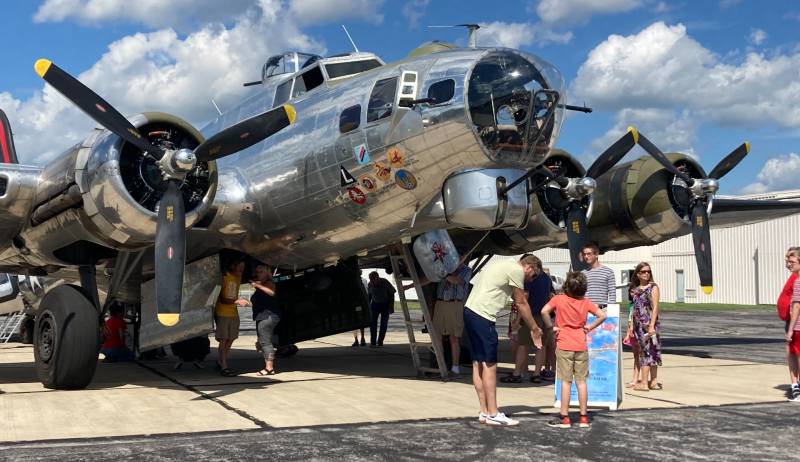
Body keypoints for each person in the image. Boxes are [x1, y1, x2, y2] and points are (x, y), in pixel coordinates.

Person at [464, 255, 542, 427]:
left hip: (470, 311)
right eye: (534, 275)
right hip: (484, 315)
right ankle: (493, 413)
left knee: (478, 362)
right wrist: (535, 328)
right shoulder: (516, 271)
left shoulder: (502, 263)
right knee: (490, 365)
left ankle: (484, 411)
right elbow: (521, 302)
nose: (531, 279)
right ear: (528, 267)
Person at [541, 272, 606, 429]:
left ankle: (564, 416)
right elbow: (602, 315)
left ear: (566, 285)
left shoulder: (559, 299)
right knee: (581, 381)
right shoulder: (586, 302)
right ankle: (584, 417)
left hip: (564, 343)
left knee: (566, 381)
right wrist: (589, 327)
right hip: (580, 343)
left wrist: (551, 327)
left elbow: (544, 311)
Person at [502, 255, 554, 383]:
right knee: (540, 345)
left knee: (522, 344)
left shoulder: (529, 278)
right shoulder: (546, 278)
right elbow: (551, 295)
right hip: (543, 314)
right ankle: (536, 374)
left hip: (530, 315)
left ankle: (518, 373)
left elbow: (523, 299)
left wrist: (518, 319)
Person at [630, 262, 661, 392]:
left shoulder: (653, 288)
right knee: (647, 352)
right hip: (638, 326)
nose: (647, 273)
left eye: (648, 271)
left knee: (648, 353)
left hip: (648, 325)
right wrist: (631, 326)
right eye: (643, 271)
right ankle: (653, 382)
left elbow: (655, 308)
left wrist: (652, 325)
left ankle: (645, 383)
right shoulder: (636, 290)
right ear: (638, 274)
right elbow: (634, 309)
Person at [214, 261, 249, 377]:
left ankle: (220, 360)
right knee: (223, 338)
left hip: (233, 313)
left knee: (232, 337)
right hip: (222, 312)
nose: (242, 269)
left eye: (243, 267)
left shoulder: (239, 277)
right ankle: (224, 365)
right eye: (240, 266)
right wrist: (237, 301)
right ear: (234, 266)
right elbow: (223, 298)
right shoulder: (225, 277)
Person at [250, 265, 279, 376]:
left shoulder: (269, 283)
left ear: (267, 273)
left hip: (267, 317)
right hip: (262, 316)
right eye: (257, 272)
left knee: (265, 342)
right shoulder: (263, 284)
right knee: (263, 341)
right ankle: (268, 366)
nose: (258, 274)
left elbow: (271, 292)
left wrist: (257, 286)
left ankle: (269, 368)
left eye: (261, 272)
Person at [780, 247, 800, 400]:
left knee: (796, 354)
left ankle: (796, 387)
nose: (787, 262)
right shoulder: (794, 277)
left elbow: (797, 305)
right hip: (792, 322)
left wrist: (791, 328)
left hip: (796, 324)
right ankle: (795, 385)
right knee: (793, 353)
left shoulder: (797, 279)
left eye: (791, 260)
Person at [581, 243, 616, 309]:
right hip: (586, 309)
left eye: (589, 254)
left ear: (596, 254)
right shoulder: (582, 273)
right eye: (584, 254)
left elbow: (612, 293)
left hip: (602, 309)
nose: (586, 256)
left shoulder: (608, 272)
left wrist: (612, 309)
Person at [368, 271, 396, 347]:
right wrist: (368, 305)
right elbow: (369, 295)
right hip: (374, 304)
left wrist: (391, 306)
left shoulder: (385, 282)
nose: (372, 282)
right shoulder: (370, 284)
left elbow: (392, 293)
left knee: (384, 323)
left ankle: (380, 341)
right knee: (373, 323)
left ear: (377, 278)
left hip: (385, 304)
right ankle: (373, 342)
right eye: (370, 280)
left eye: (373, 280)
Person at [624, 285, 642, 388]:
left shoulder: (641, 304)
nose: (633, 294)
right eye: (631, 292)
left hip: (641, 331)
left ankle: (644, 378)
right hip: (632, 332)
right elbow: (629, 321)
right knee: (635, 356)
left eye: (635, 292)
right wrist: (627, 334)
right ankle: (635, 379)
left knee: (643, 356)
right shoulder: (630, 305)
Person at [353, 270, 367, 347]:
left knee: (355, 321)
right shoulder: (364, 281)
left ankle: (356, 339)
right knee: (362, 321)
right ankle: (362, 338)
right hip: (362, 302)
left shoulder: (352, 281)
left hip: (355, 302)